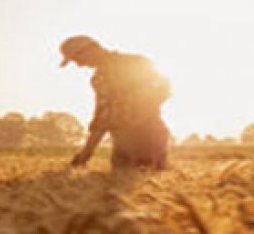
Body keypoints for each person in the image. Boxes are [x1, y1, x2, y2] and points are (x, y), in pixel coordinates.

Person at [59, 35, 171, 171]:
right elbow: (101, 117)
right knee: (117, 183)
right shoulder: (98, 79)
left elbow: (165, 89)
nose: (79, 65)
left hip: (148, 137)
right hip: (121, 143)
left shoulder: (135, 62)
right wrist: (86, 153)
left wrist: (137, 112)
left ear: (89, 50)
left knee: (144, 176)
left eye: (77, 59)